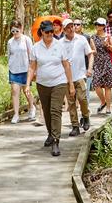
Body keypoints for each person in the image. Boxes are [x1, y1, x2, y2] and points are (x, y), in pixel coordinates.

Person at [26, 20, 75, 157]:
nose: (49, 34)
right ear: (41, 32)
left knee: (55, 111)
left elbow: (66, 66)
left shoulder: (59, 46)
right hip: (42, 84)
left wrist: (70, 84)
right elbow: (32, 67)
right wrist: (27, 83)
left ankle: (55, 141)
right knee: (46, 112)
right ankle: (50, 133)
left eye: (52, 32)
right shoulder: (36, 47)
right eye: (47, 32)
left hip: (59, 82)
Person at [61, 19, 93, 135]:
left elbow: (90, 54)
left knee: (82, 98)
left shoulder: (82, 39)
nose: (71, 28)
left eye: (72, 26)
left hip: (80, 75)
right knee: (71, 102)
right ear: (64, 30)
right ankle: (75, 126)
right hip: (66, 78)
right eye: (68, 27)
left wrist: (89, 69)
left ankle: (86, 116)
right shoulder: (60, 43)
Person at [7, 20, 36, 123]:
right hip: (14, 69)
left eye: (17, 31)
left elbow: (31, 55)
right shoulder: (10, 42)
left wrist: (33, 69)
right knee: (15, 91)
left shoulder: (26, 39)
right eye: (13, 31)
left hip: (25, 69)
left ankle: (32, 107)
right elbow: (9, 55)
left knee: (26, 90)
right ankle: (16, 114)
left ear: (21, 29)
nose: (15, 33)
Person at [91, 17, 112, 114]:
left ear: (104, 26)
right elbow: (92, 50)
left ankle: (108, 108)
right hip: (97, 63)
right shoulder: (92, 37)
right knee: (96, 84)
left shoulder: (108, 37)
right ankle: (103, 101)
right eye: (97, 24)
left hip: (107, 62)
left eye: (100, 25)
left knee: (107, 86)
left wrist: (108, 45)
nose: (98, 26)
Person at [74, 17, 96, 103]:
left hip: (86, 67)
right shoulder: (69, 38)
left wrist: (86, 51)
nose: (76, 26)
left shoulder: (86, 37)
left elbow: (94, 51)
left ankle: (86, 110)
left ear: (81, 26)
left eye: (78, 24)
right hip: (75, 68)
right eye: (74, 24)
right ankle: (77, 106)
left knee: (85, 89)